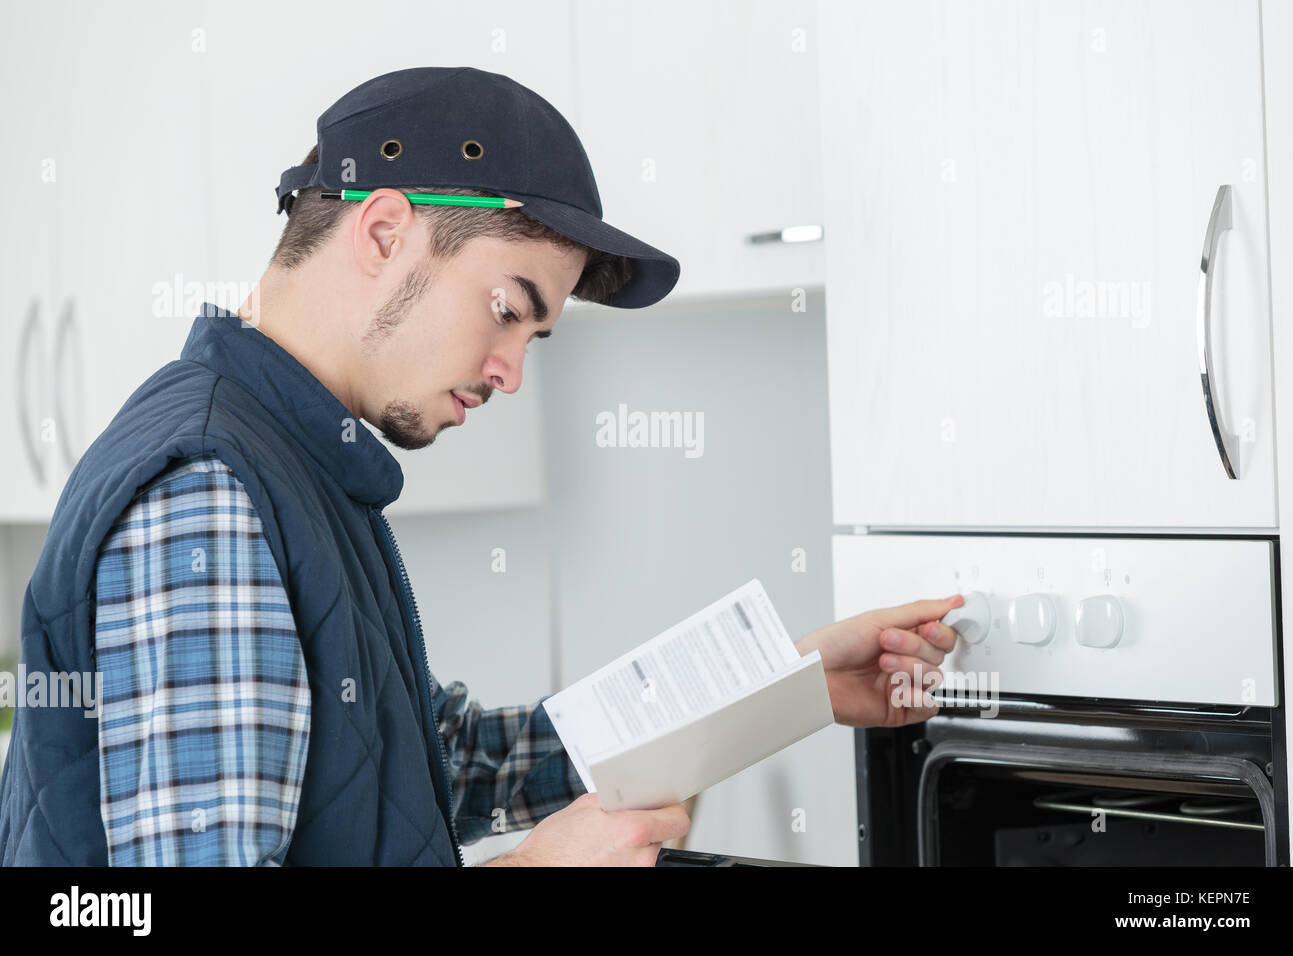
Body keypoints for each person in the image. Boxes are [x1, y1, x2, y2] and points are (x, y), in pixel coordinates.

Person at [0, 66, 961, 867]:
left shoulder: (296, 466)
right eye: (509, 307)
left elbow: (440, 763)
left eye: (536, 335)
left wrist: (778, 686)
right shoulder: (209, 493)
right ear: (383, 233)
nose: (508, 371)